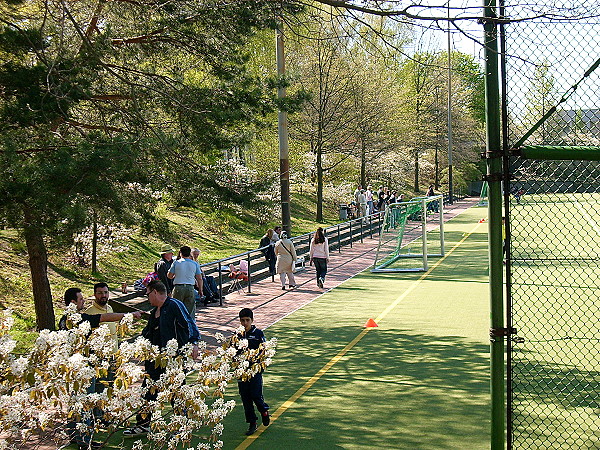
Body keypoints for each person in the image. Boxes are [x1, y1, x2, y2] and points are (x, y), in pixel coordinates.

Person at [60, 288, 142, 450]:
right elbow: (104, 318)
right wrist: (128, 315)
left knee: (75, 401)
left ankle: (75, 436)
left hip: (72, 367)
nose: (83, 301)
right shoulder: (78, 319)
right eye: (80, 299)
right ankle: (85, 442)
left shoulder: (64, 319)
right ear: (73, 302)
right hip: (83, 368)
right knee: (86, 402)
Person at [124, 280, 200, 438]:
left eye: (148, 294)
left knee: (176, 392)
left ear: (155, 292)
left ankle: (182, 424)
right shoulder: (154, 312)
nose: (147, 297)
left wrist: (194, 343)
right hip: (154, 361)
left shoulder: (174, 305)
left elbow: (189, 323)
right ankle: (143, 424)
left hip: (173, 360)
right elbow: (148, 333)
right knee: (148, 390)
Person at [237, 308, 270, 436]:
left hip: (255, 369)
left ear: (252, 320)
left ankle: (264, 410)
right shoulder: (238, 335)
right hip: (241, 370)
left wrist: (257, 358)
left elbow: (264, 349)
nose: (245, 323)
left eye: (247, 320)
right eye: (242, 321)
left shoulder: (258, 333)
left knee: (256, 395)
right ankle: (252, 423)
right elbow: (233, 350)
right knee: (245, 397)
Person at [168, 246, 203, 317]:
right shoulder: (194, 264)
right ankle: (190, 326)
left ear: (180, 253)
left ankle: (177, 325)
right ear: (190, 253)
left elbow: (169, 276)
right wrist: (200, 289)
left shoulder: (176, 263)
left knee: (177, 308)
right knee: (190, 310)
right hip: (190, 288)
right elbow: (199, 278)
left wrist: (175, 275)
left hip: (178, 287)